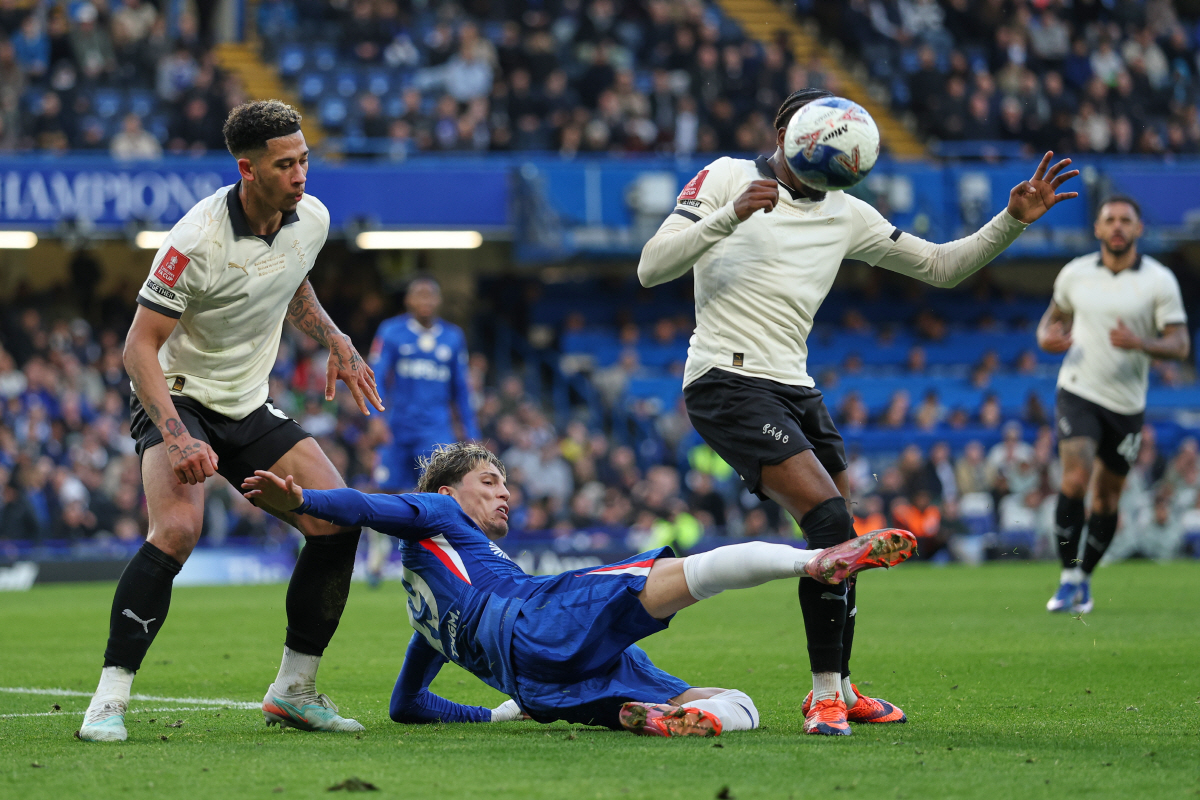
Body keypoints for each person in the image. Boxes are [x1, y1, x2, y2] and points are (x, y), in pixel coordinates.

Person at [636, 88, 1078, 735]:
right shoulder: (728, 176)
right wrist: (727, 216)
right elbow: (652, 267)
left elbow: (939, 266)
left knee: (842, 542)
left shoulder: (846, 213)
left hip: (796, 386)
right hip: (724, 379)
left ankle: (842, 683)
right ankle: (823, 697)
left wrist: (1011, 220)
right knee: (832, 521)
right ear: (786, 130)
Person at [242, 443, 917, 737]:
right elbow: (369, 507)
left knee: (731, 705)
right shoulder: (439, 513)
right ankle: (815, 562)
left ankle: (659, 715)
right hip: (538, 616)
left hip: (543, 685)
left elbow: (407, 706)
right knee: (677, 578)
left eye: (507, 484)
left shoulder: (424, 610)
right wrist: (306, 496)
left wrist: (502, 713)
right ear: (450, 492)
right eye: (490, 482)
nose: (505, 492)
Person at [78, 100, 385, 742]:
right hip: (179, 395)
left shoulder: (314, 217)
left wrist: (333, 337)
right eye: (285, 164)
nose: (301, 173)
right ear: (248, 170)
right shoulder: (194, 240)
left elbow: (290, 279)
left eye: (303, 159)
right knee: (178, 530)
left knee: (337, 518)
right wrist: (177, 433)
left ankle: (293, 692)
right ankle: (107, 701)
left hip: (247, 401)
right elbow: (137, 347)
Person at [1036, 195, 1188, 614]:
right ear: (1098, 229)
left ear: (1139, 229)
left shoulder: (1159, 281)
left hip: (1126, 404)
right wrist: (1046, 337)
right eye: (1110, 220)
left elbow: (1180, 344)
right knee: (1074, 480)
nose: (1117, 226)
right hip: (1078, 389)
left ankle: (1084, 580)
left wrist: (1142, 343)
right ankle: (1067, 577)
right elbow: (1051, 321)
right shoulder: (1075, 274)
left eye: (1126, 220)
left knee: (1105, 500)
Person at [364, 276, 478, 586]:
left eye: (431, 296)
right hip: (398, 427)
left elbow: (462, 391)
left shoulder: (453, 338)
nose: (425, 301)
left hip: (435, 429)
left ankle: (431, 561)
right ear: (409, 301)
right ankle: (376, 554)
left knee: (435, 492)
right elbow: (375, 375)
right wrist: (376, 417)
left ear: (438, 301)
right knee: (385, 488)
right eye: (420, 295)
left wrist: (471, 432)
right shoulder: (392, 332)